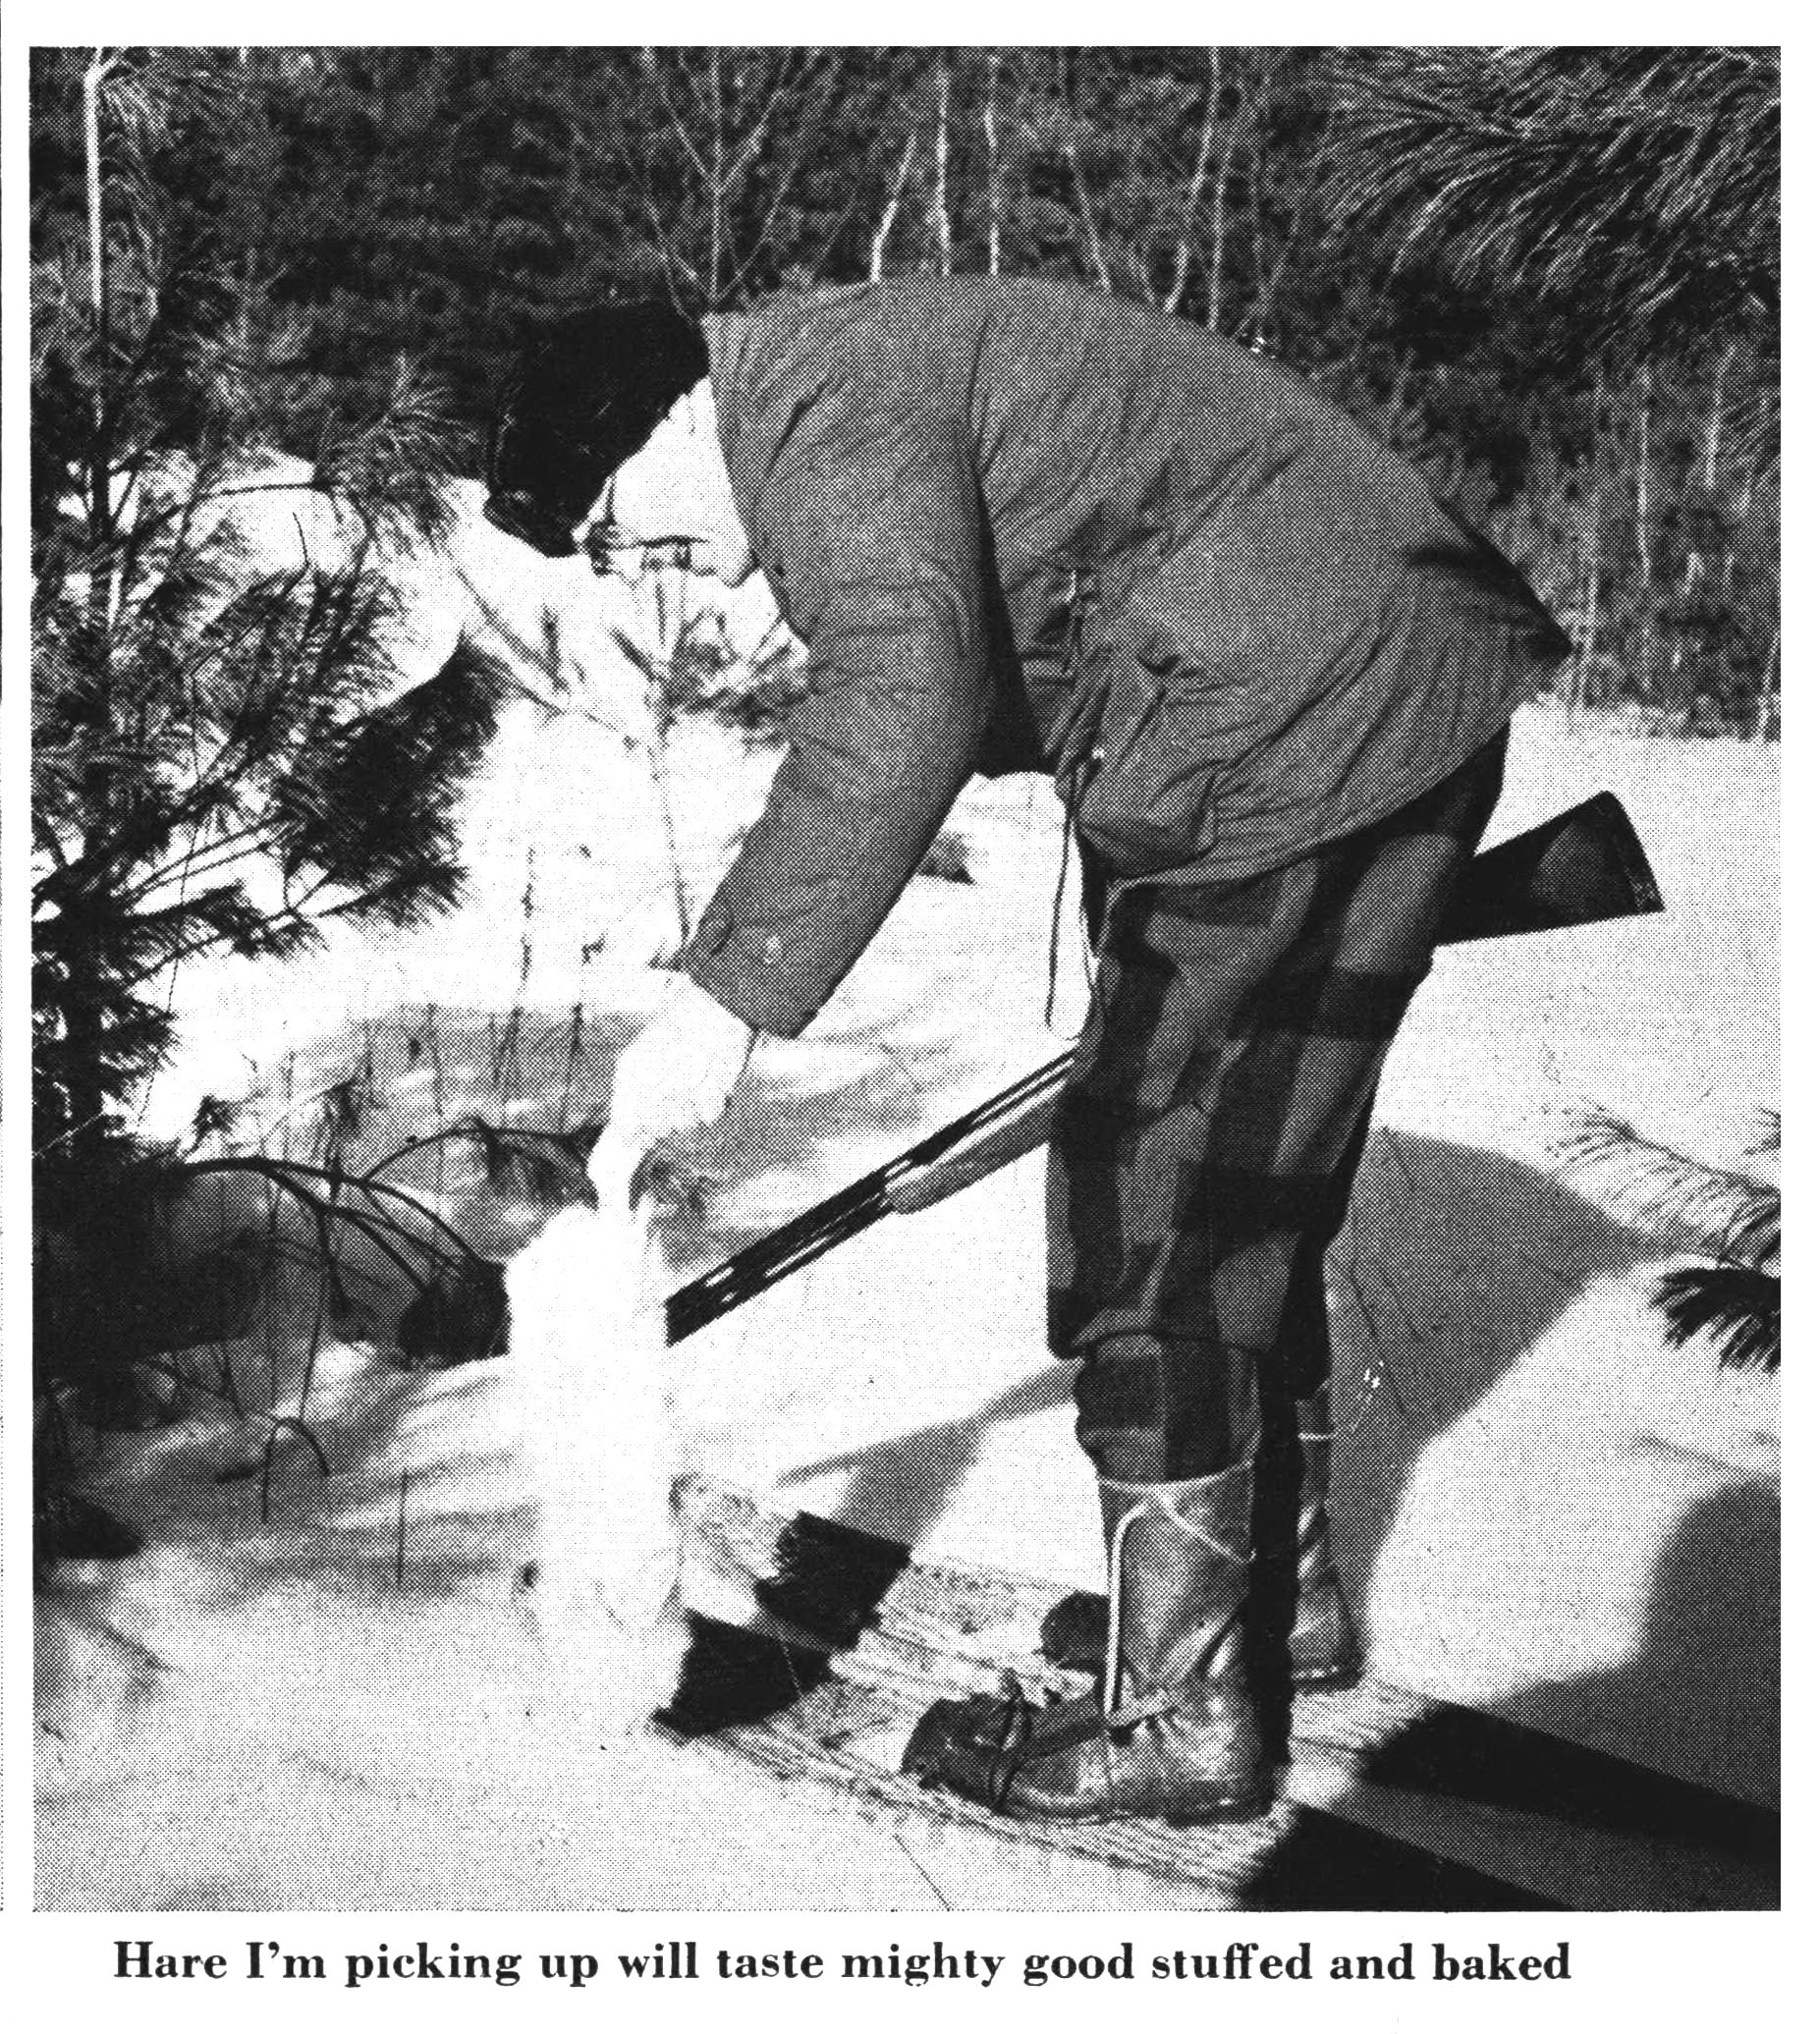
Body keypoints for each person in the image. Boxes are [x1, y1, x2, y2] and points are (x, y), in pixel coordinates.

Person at [484, 276, 1570, 1825]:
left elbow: (903, 694)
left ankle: (1183, 1713)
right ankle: (1271, 1604)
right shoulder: (830, 385)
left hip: (1286, 714)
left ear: (665, 422)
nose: (631, 567)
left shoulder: (813, 414)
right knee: (1240, 1171)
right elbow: (1014, 633)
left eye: (609, 524)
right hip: (1350, 680)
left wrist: (730, 996)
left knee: (1161, 1193)